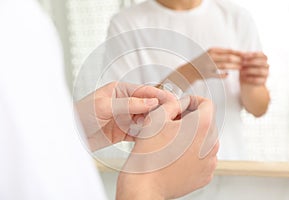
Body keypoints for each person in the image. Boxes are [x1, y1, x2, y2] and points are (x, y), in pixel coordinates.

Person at [0, 0, 219, 199]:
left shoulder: (24, 18)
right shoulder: (14, 19)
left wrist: (73, 130)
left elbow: (15, 155)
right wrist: (147, 184)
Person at [105, 0, 270, 160]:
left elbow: (258, 109)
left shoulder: (236, 17)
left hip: (231, 163)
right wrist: (189, 72)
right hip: (162, 169)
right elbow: (126, 116)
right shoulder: (127, 23)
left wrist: (251, 83)